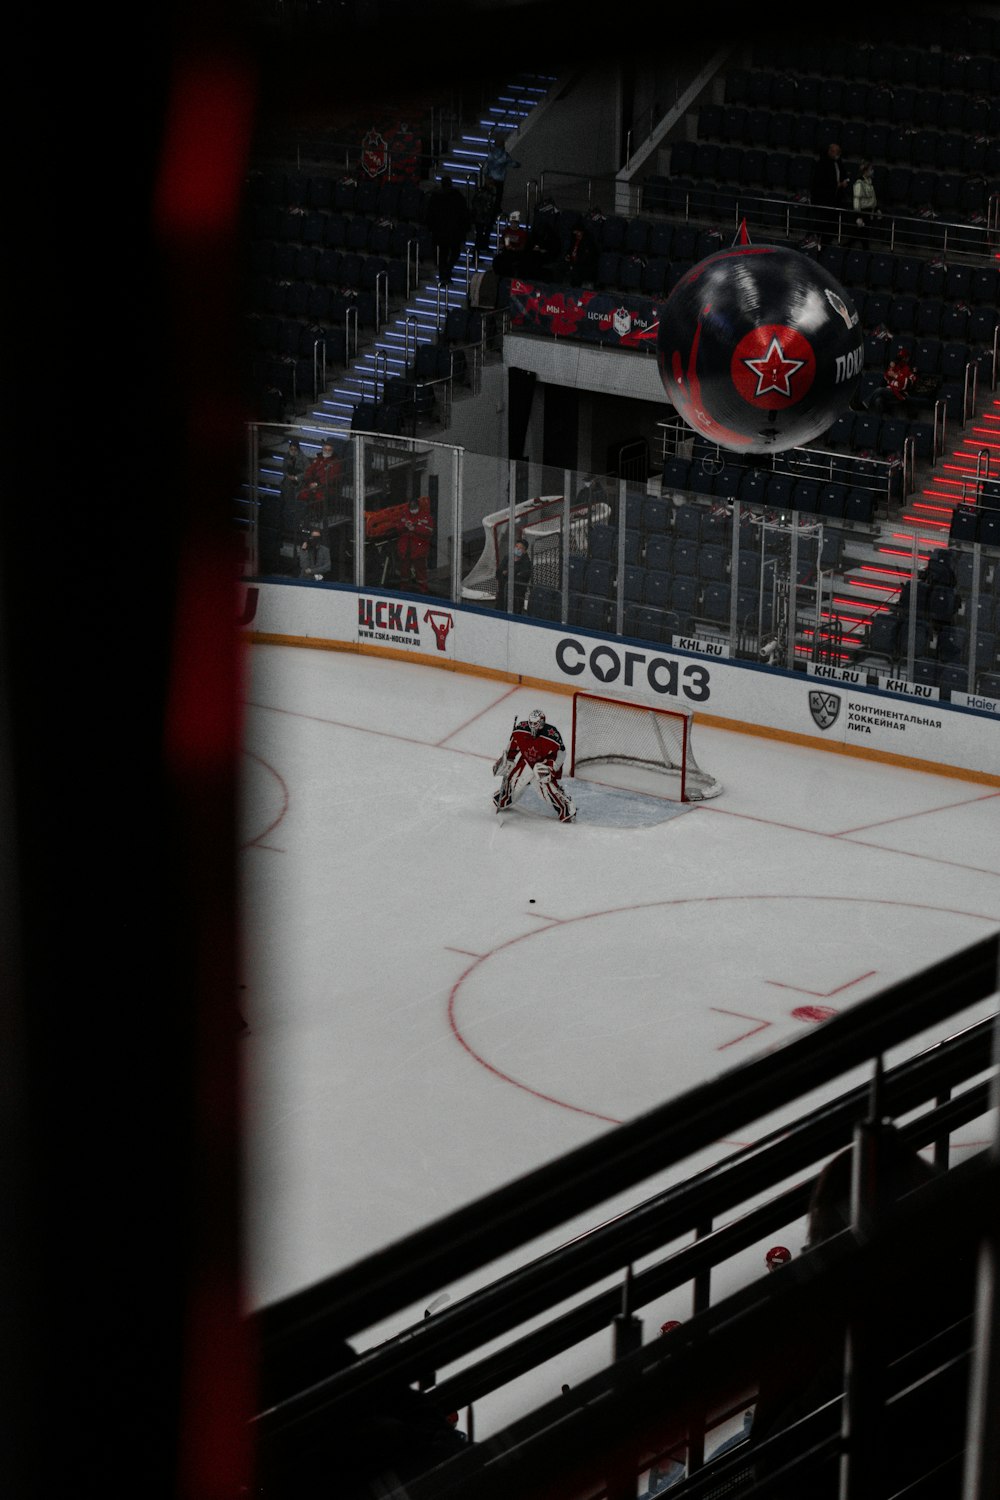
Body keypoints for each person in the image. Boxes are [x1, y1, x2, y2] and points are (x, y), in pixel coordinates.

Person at [492, 707, 576, 822]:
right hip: (526, 760)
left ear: (542, 722)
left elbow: (561, 754)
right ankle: (504, 798)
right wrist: (508, 760)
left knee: (546, 792)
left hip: (543, 763)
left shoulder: (552, 734)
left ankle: (566, 808)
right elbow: (513, 745)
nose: (532, 726)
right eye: (530, 723)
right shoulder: (521, 729)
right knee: (513, 781)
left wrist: (552, 768)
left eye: (536, 723)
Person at [425, 175, 472, 283]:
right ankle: (447, 271)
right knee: (454, 252)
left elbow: (430, 215)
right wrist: (465, 228)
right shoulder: (457, 197)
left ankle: (443, 275)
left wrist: (431, 228)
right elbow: (464, 214)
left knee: (443, 254)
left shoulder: (435, 197)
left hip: (440, 232)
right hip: (454, 231)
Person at [809, 142, 850, 239]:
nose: (837, 154)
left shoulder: (838, 163)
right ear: (830, 151)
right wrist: (838, 185)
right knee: (821, 221)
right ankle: (815, 238)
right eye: (835, 151)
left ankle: (826, 239)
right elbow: (821, 182)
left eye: (838, 152)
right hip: (823, 198)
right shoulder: (822, 164)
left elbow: (842, 174)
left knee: (830, 223)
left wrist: (844, 181)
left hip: (834, 199)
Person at [298, 436, 343, 522]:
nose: (326, 451)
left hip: (326, 487)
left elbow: (331, 478)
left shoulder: (335, 463)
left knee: (318, 497)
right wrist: (310, 482)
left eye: (329, 450)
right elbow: (309, 470)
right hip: (313, 485)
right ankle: (305, 515)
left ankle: (317, 516)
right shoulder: (318, 459)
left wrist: (317, 484)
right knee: (302, 494)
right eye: (325, 449)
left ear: (332, 451)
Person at [395, 495, 434, 591]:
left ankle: (423, 589)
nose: (413, 510)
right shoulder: (405, 514)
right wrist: (405, 525)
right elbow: (398, 527)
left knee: (420, 570)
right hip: (406, 547)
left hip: (418, 548)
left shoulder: (425, 516)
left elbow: (428, 531)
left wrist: (415, 529)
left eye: (414, 507)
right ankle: (404, 588)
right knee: (404, 570)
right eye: (411, 508)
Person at [867, 347, 917, 418]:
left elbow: (908, 384)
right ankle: (877, 421)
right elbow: (886, 378)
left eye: (902, 358)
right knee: (878, 400)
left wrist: (896, 376)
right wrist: (891, 367)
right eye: (900, 357)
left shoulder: (909, 369)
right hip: (890, 391)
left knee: (879, 390)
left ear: (907, 358)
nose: (900, 359)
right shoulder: (897, 366)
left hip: (899, 393)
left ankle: (866, 403)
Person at [484, 133, 520, 217]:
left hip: (490, 178)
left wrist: (486, 176)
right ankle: (496, 210)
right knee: (498, 196)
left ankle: (488, 209)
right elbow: (512, 164)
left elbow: (486, 166)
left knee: (488, 196)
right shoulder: (504, 155)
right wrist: (518, 164)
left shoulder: (491, 154)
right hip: (499, 179)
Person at [495, 537, 532, 612]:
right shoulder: (507, 557)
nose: (517, 549)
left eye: (521, 548)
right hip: (503, 592)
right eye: (516, 546)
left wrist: (508, 574)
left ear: (524, 551)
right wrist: (503, 573)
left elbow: (521, 579)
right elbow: (499, 572)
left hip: (516, 597)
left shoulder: (526, 563)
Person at [849, 160, 880, 248]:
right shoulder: (859, 183)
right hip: (862, 212)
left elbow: (872, 198)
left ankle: (849, 247)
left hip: (868, 212)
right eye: (871, 169)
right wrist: (858, 216)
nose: (872, 171)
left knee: (860, 234)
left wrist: (877, 208)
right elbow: (856, 200)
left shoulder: (869, 182)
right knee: (861, 234)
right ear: (865, 171)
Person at [565, 221, 600, 287]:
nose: (576, 235)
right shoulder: (574, 239)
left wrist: (575, 262)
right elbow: (570, 249)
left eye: (578, 233)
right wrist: (568, 256)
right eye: (575, 233)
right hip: (573, 261)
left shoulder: (588, 241)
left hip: (584, 264)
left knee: (577, 271)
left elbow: (587, 257)